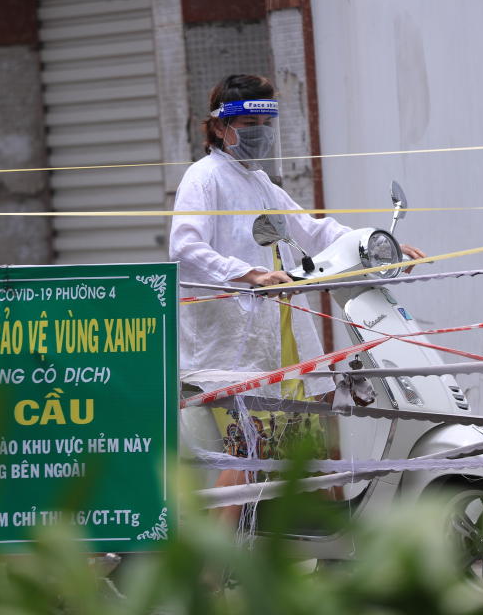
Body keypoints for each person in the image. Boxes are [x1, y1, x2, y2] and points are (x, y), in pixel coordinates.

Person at [169, 74, 424, 524]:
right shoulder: (203, 178)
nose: (259, 135)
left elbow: (316, 229)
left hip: (281, 339)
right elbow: (184, 247)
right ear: (220, 127)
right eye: (248, 123)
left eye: (265, 124)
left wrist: (380, 247)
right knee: (247, 460)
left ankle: (332, 557)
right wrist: (247, 273)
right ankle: (210, 579)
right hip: (231, 350)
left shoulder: (263, 184)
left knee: (313, 458)